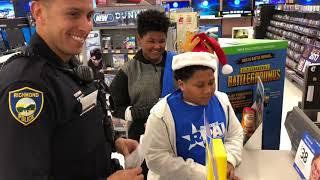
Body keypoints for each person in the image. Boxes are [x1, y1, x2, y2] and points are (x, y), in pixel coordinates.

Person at [0, 0, 143, 179]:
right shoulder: (26, 85)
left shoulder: (66, 64)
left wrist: (114, 142)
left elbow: (69, 135)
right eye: (73, 14)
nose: (87, 26)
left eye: (89, 16)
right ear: (39, 13)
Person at [142, 33, 243, 180]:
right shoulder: (161, 114)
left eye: (211, 82)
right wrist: (207, 174)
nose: (208, 90)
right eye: (199, 85)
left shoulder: (222, 101)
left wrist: (228, 161)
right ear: (181, 84)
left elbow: (235, 135)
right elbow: (157, 159)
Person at [109, 9, 175, 179]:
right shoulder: (127, 72)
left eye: (162, 41)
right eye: (151, 41)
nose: (157, 46)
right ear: (139, 39)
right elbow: (116, 109)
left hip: (173, 137)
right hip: (140, 140)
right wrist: (141, 112)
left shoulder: (176, 64)